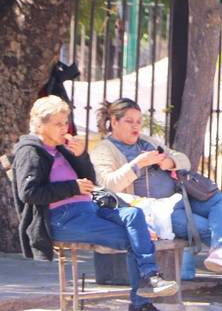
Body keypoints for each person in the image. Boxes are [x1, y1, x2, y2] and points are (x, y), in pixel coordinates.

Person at [90, 98, 222, 311]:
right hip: (155, 213)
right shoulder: (104, 150)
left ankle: (221, 251)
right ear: (114, 122)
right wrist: (137, 164)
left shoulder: (146, 140)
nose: (136, 126)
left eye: (138, 121)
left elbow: (182, 159)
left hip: (181, 199)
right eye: (129, 121)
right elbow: (109, 184)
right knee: (209, 229)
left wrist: (168, 162)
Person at [11, 96, 178, 311]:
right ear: (40, 125)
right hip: (62, 218)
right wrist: (73, 187)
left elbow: (91, 181)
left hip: (89, 208)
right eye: (58, 124)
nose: (64, 128)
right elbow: (29, 193)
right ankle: (143, 299)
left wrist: (80, 156)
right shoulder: (31, 151)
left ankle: (149, 280)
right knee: (135, 238)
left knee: (134, 215)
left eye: (66, 122)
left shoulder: (62, 148)